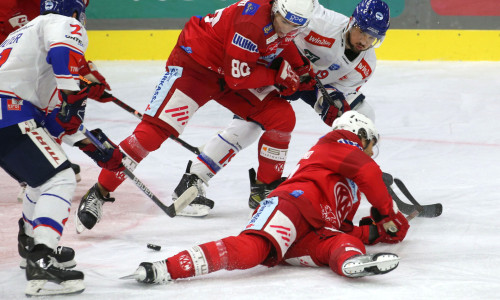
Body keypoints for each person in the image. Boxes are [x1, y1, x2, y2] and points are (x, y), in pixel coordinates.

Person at [75, 0, 318, 232]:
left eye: (295, 25)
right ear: (276, 8)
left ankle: (264, 188)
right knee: (150, 135)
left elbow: (279, 43)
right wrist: (278, 76)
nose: (288, 28)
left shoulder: (285, 18)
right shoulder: (251, 22)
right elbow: (239, 79)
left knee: (281, 116)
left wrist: (300, 68)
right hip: (195, 69)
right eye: (285, 21)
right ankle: (99, 192)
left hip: (228, 72)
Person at [123, 111, 410, 284]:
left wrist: (374, 232)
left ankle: (350, 262)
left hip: (315, 230)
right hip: (292, 204)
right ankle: (167, 268)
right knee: (252, 251)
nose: (372, 152)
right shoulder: (335, 144)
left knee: (345, 242)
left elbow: (342, 226)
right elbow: (370, 173)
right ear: (360, 134)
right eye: (371, 144)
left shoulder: (349, 180)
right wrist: (388, 214)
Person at [170, 0, 391, 216]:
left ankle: (354, 173)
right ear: (352, 22)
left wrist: (332, 102)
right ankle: (196, 178)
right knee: (250, 126)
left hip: (310, 83)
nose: (364, 40)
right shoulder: (322, 22)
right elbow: (290, 14)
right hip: (276, 70)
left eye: (373, 37)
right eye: (362, 31)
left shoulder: (366, 65)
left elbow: (340, 91)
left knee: (362, 116)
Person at [0, 0, 124, 296]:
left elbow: (55, 122)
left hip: (10, 115)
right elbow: (63, 57)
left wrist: (95, 146)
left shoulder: (23, 37)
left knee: (40, 178)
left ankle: (31, 244)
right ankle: (42, 258)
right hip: (10, 112)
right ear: (75, 11)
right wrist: (74, 89)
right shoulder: (62, 23)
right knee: (60, 177)